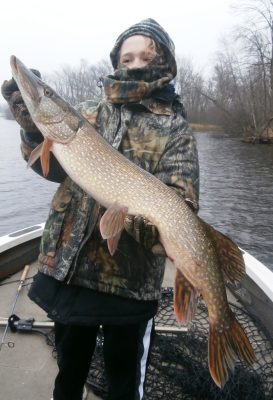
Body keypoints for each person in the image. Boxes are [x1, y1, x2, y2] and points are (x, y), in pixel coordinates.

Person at [1, 18, 199, 400]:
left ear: (166, 64)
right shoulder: (88, 112)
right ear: (115, 63)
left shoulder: (175, 129)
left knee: (124, 383)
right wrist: (31, 129)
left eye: (147, 55)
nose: (136, 62)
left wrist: (142, 220)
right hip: (72, 273)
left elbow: (182, 203)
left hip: (129, 285)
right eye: (127, 56)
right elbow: (54, 168)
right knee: (69, 375)